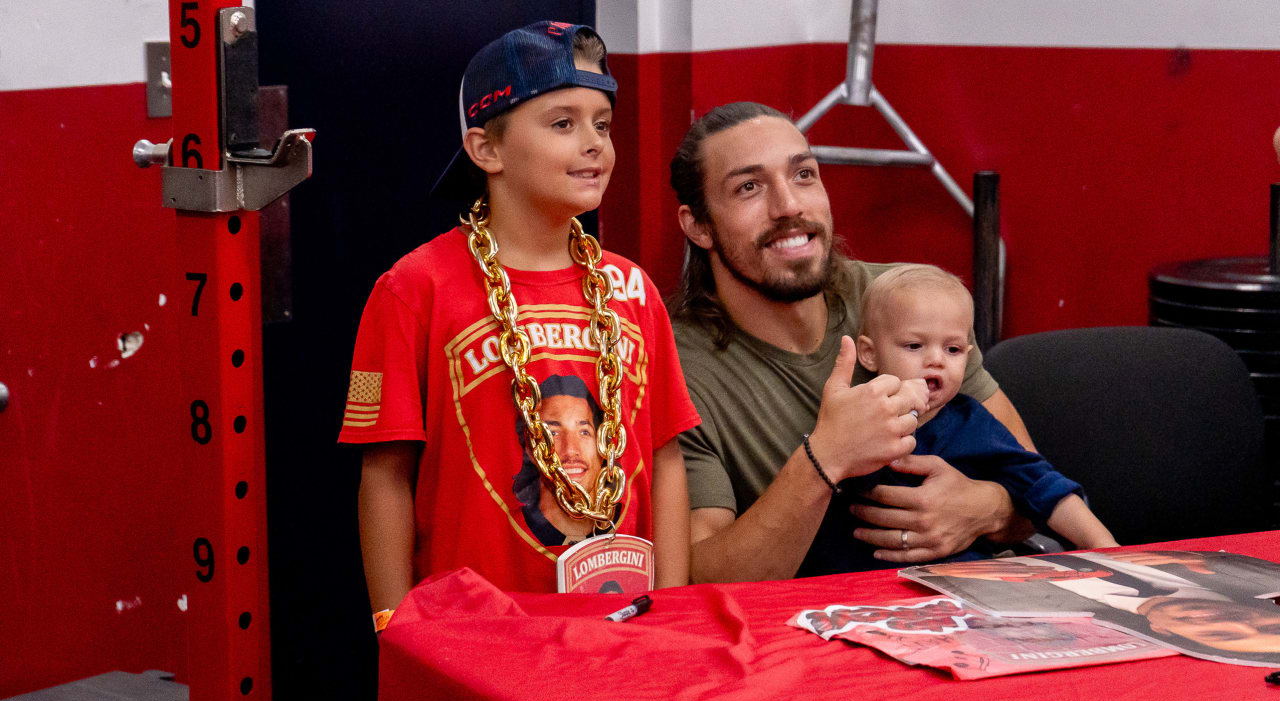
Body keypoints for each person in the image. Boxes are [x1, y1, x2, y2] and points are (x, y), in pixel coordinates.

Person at [342, 22, 700, 631]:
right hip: (475, 632)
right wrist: (393, 626)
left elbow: (666, 461)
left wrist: (670, 610)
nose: (595, 144)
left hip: (622, 624)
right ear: (486, 150)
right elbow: (384, 476)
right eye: (563, 124)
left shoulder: (634, 290)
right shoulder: (412, 288)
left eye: (603, 124)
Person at [668, 101, 1039, 583]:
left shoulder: (908, 303)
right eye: (749, 188)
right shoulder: (674, 366)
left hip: (977, 605)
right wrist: (825, 459)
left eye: (804, 175)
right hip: (812, 631)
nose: (789, 206)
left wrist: (984, 509)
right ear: (698, 226)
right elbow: (700, 580)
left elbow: (1038, 488)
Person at [803, 265, 1116, 574]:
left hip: (959, 589)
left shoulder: (973, 424)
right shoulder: (852, 418)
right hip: (849, 591)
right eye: (914, 346)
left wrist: (1107, 548)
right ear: (869, 354)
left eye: (952, 349)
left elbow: (1044, 486)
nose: (936, 360)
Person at [918, 552, 1280, 657]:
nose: (1240, 620)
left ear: (1162, 632)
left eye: (1218, 633)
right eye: (1269, 627)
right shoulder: (1231, 569)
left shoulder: (1038, 610)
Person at [511, 374, 605, 545]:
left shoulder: (624, 525)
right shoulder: (510, 535)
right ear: (531, 449)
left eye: (584, 432)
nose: (571, 450)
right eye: (552, 433)